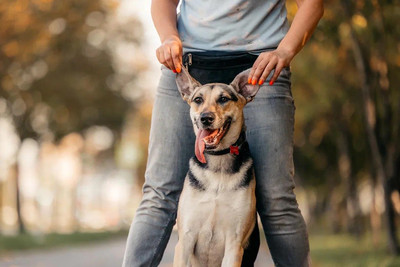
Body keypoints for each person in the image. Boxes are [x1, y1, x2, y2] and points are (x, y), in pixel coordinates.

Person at [122, 0, 324, 266]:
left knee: (277, 199)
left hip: (262, 66)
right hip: (187, 63)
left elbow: (313, 4)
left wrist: (285, 51)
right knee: (158, 194)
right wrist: (169, 36)